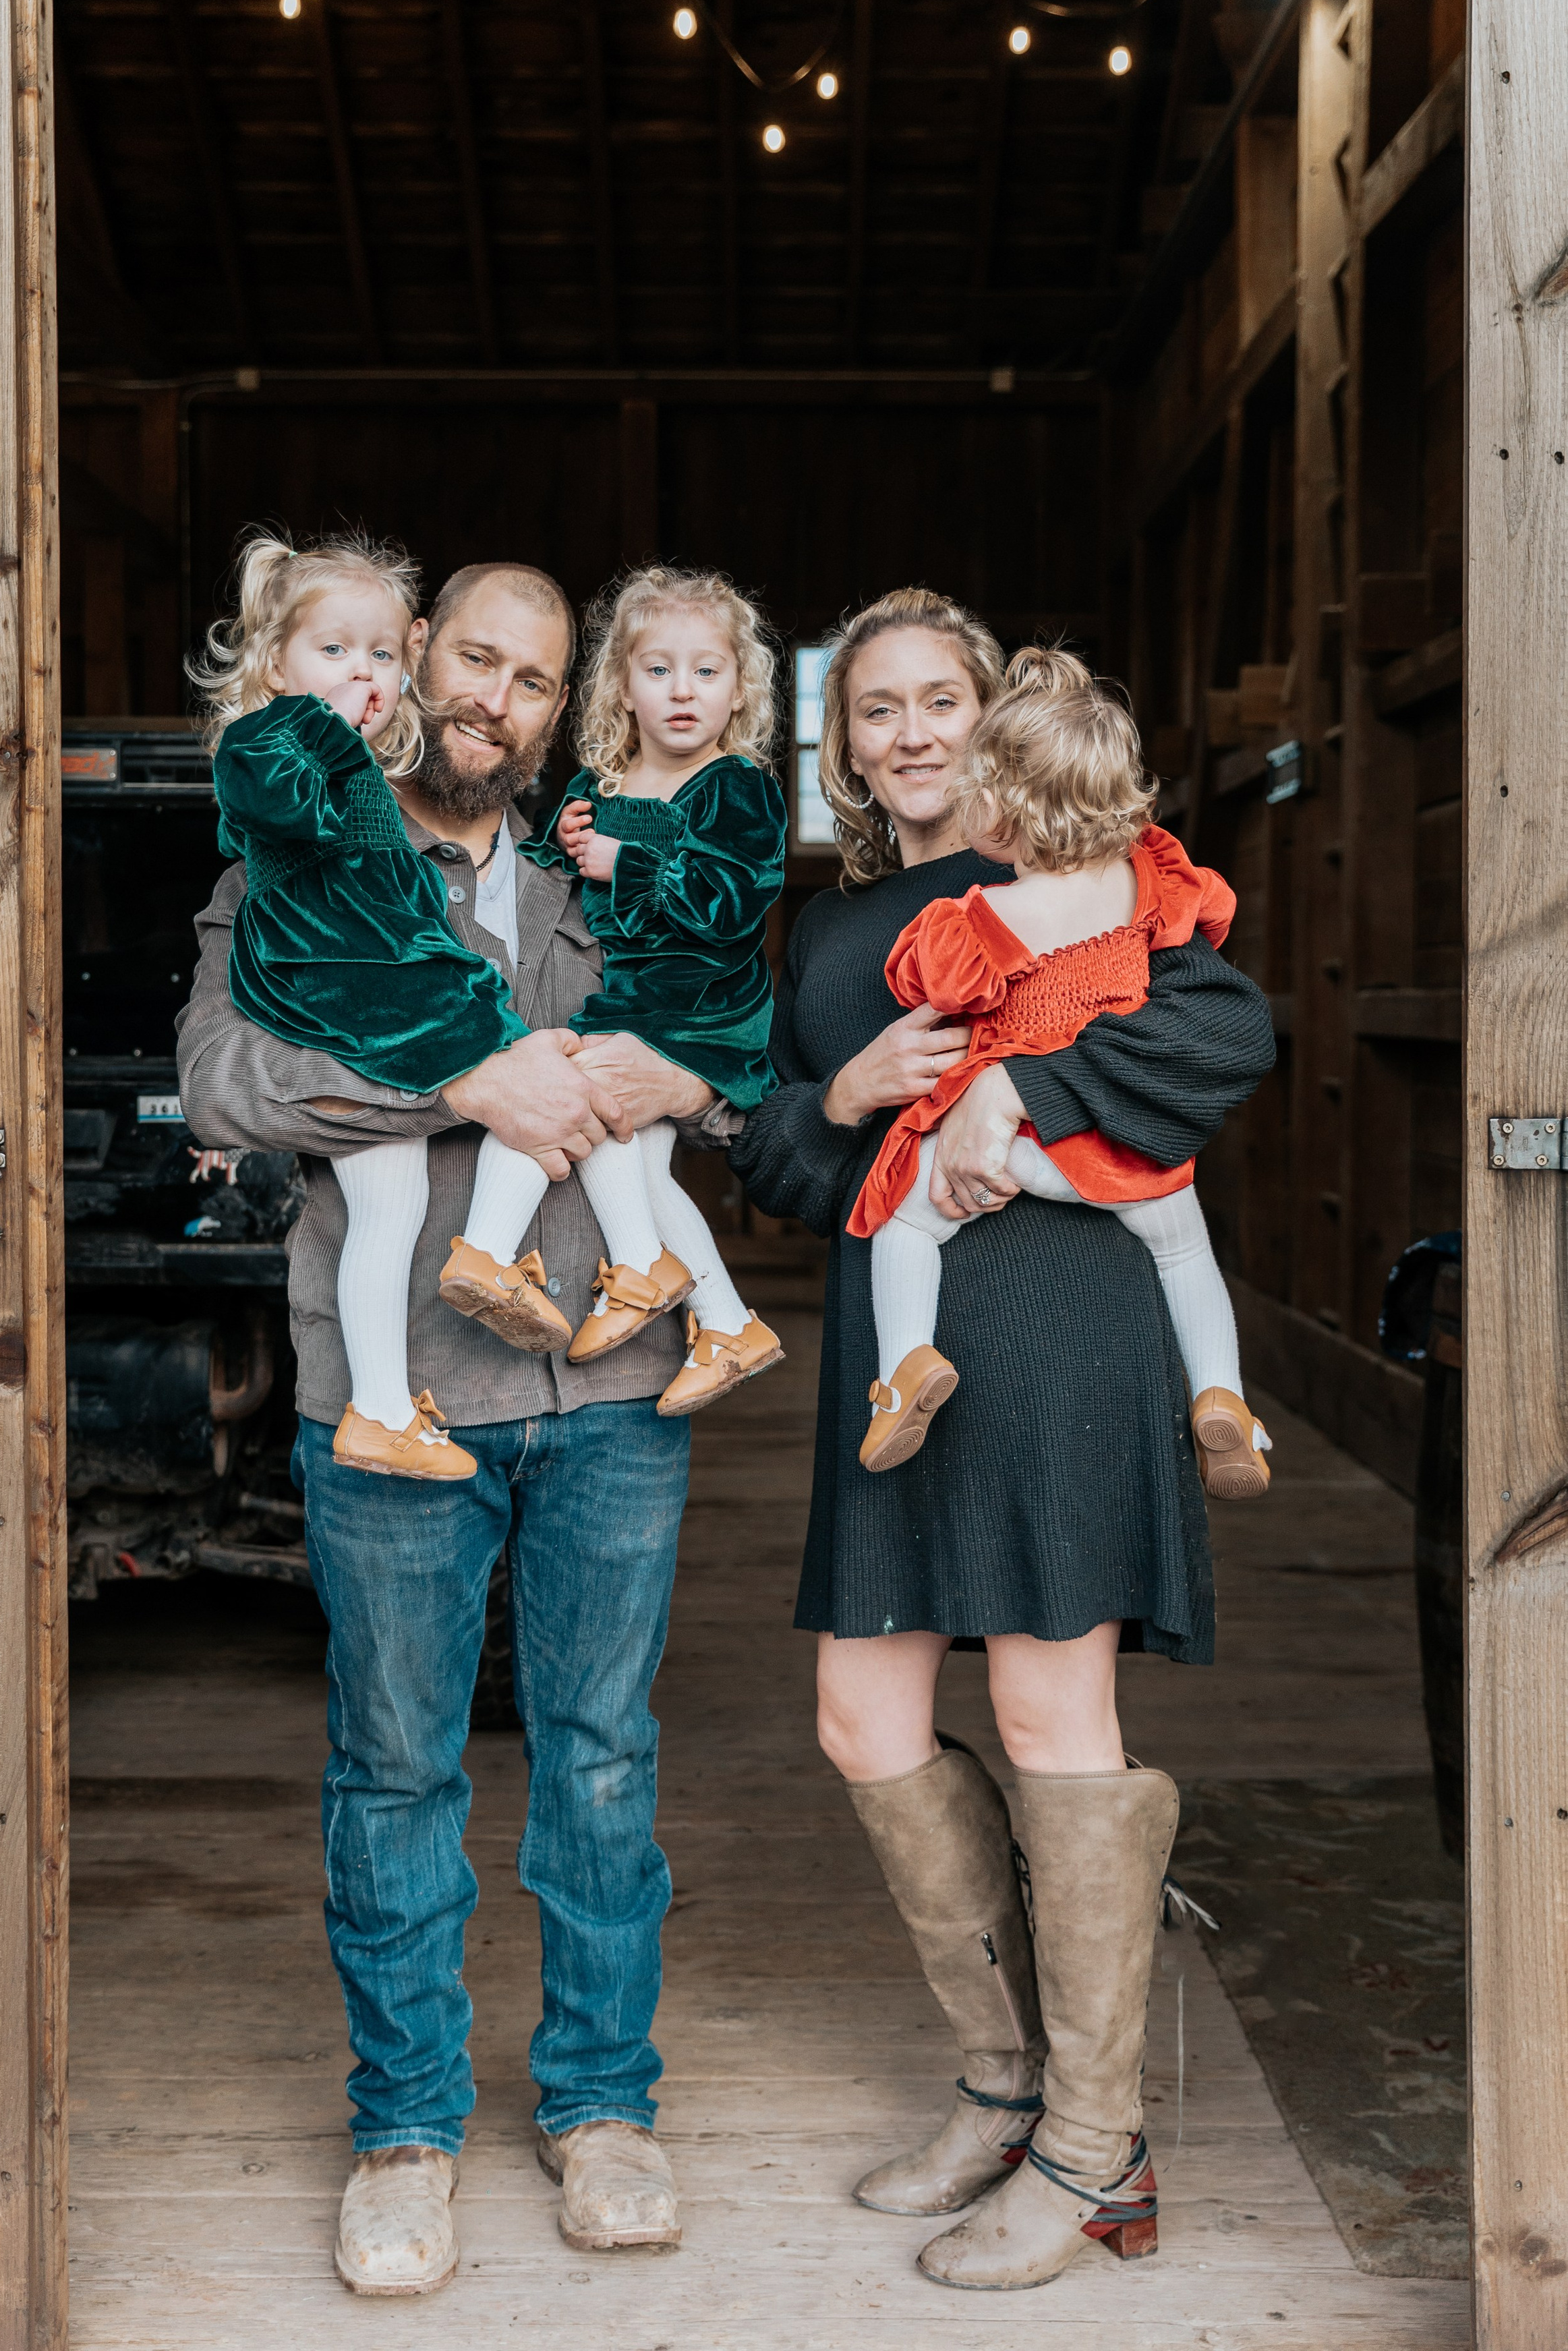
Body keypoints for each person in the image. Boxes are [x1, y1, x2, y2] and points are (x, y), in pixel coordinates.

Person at [176, 556, 730, 2297]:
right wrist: (456, 1078)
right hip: (394, 1395)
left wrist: (693, 1072)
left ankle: (600, 2107)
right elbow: (222, 1080)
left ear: (568, 707)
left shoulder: (608, 873)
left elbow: (715, 1048)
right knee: (398, 1764)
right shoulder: (299, 847)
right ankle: (406, 2131)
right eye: (474, 661)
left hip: (617, 1391)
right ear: (420, 658)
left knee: (602, 1755)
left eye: (536, 681)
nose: (498, 701)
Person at [728, 587, 1275, 2292]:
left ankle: (1096, 2156)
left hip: (1059, 1318)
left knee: (1048, 1703)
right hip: (898, 1357)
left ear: (991, 714)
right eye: (872, 706)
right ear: (843, 743)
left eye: (937, 696)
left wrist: (1006, 1094)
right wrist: (845, 1093)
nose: (907, 729)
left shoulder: (1093, 861)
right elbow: (770, 1155)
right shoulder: (829, 938)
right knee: (859, 1712)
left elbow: (1223, 1030)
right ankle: (1003, 2082)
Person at [848, 645, 1271, 1501]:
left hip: (1009, 1150)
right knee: (1188, 1255)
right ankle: (1222, 1396)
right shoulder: (1141, 892)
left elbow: (918, 983)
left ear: (999, 807)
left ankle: (903, 1370)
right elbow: (1208, 932)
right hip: (1122, 1153)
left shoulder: (980, 914)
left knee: (906, 1227)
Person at [192, 531, 529, 1480]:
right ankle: (445, 1319)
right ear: (274, 662)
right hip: (334, 981)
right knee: (504, 1063)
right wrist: (336, 726)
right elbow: (285, 811)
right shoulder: (271, 740)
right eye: (333, 651)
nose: (363, 673)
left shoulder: (355, 762)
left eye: (381, 655)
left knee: (399, 1200)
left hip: (370, 973)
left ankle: (388, 1396)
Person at [513, 564, 787, 1413]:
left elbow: (730, 904)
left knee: (607, 1140)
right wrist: (561, 842)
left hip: (704, 1006)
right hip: (635, 1002)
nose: (682, 691)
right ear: (621, 688)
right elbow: (553, 887)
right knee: (633, 1166)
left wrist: (629, 862)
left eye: (707, 671)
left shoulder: (738, 787)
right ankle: (726, 1321)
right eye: (658, 670)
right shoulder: (602, 786)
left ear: (739, 690)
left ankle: (646, 1279)